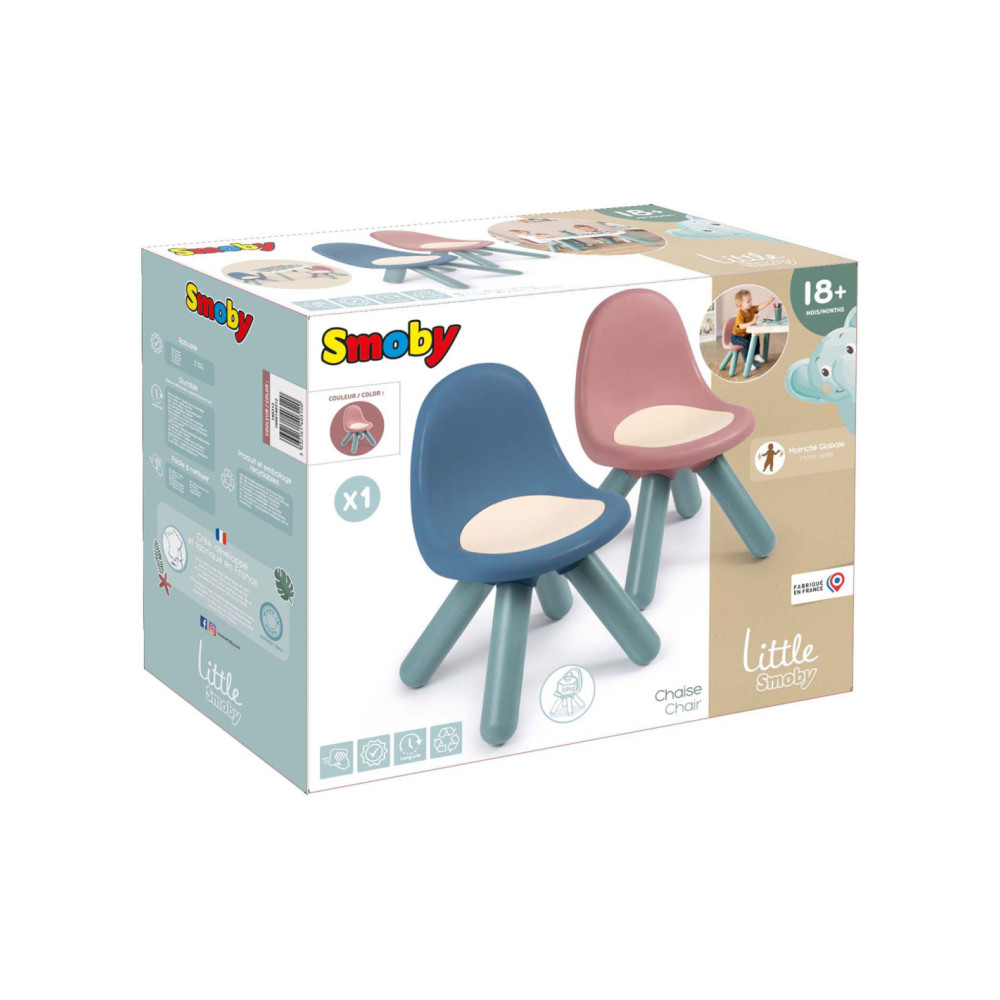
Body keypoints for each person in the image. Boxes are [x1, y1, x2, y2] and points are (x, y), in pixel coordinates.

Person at [732, 289, 776, 365]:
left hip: (746, 334)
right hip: (736, 337)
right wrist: (752, 322)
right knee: (745, 343)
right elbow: (741, 326)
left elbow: (760, 307)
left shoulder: (751, 309)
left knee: (755, 336)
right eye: (748, 302)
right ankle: (747, 362)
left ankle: (756, 355)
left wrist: (769, 301)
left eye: (750, 300)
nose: (750, 303)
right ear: (741, 305)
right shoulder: (740, 314)